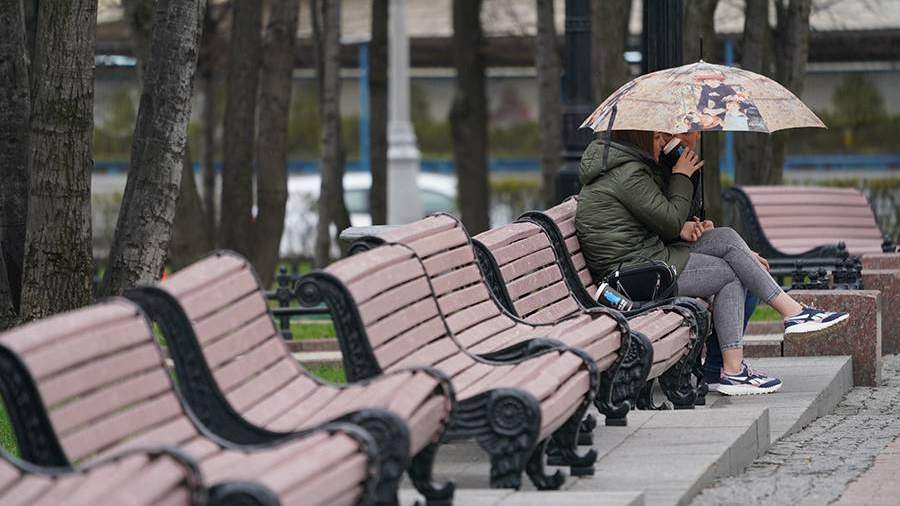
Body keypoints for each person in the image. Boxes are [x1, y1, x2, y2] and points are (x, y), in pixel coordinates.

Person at [574, 130, 849, 396]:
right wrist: (681, 175)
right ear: (639, 138)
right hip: (636, 275)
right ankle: (733, 370)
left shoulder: (632, 167)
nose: (663, 143)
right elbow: (669, 221)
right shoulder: (628, 174)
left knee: (727, 239)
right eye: (658, 138)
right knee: (731, 273)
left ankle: (791, 314)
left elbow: (662, 222)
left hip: (648, 258)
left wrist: (689, 219)